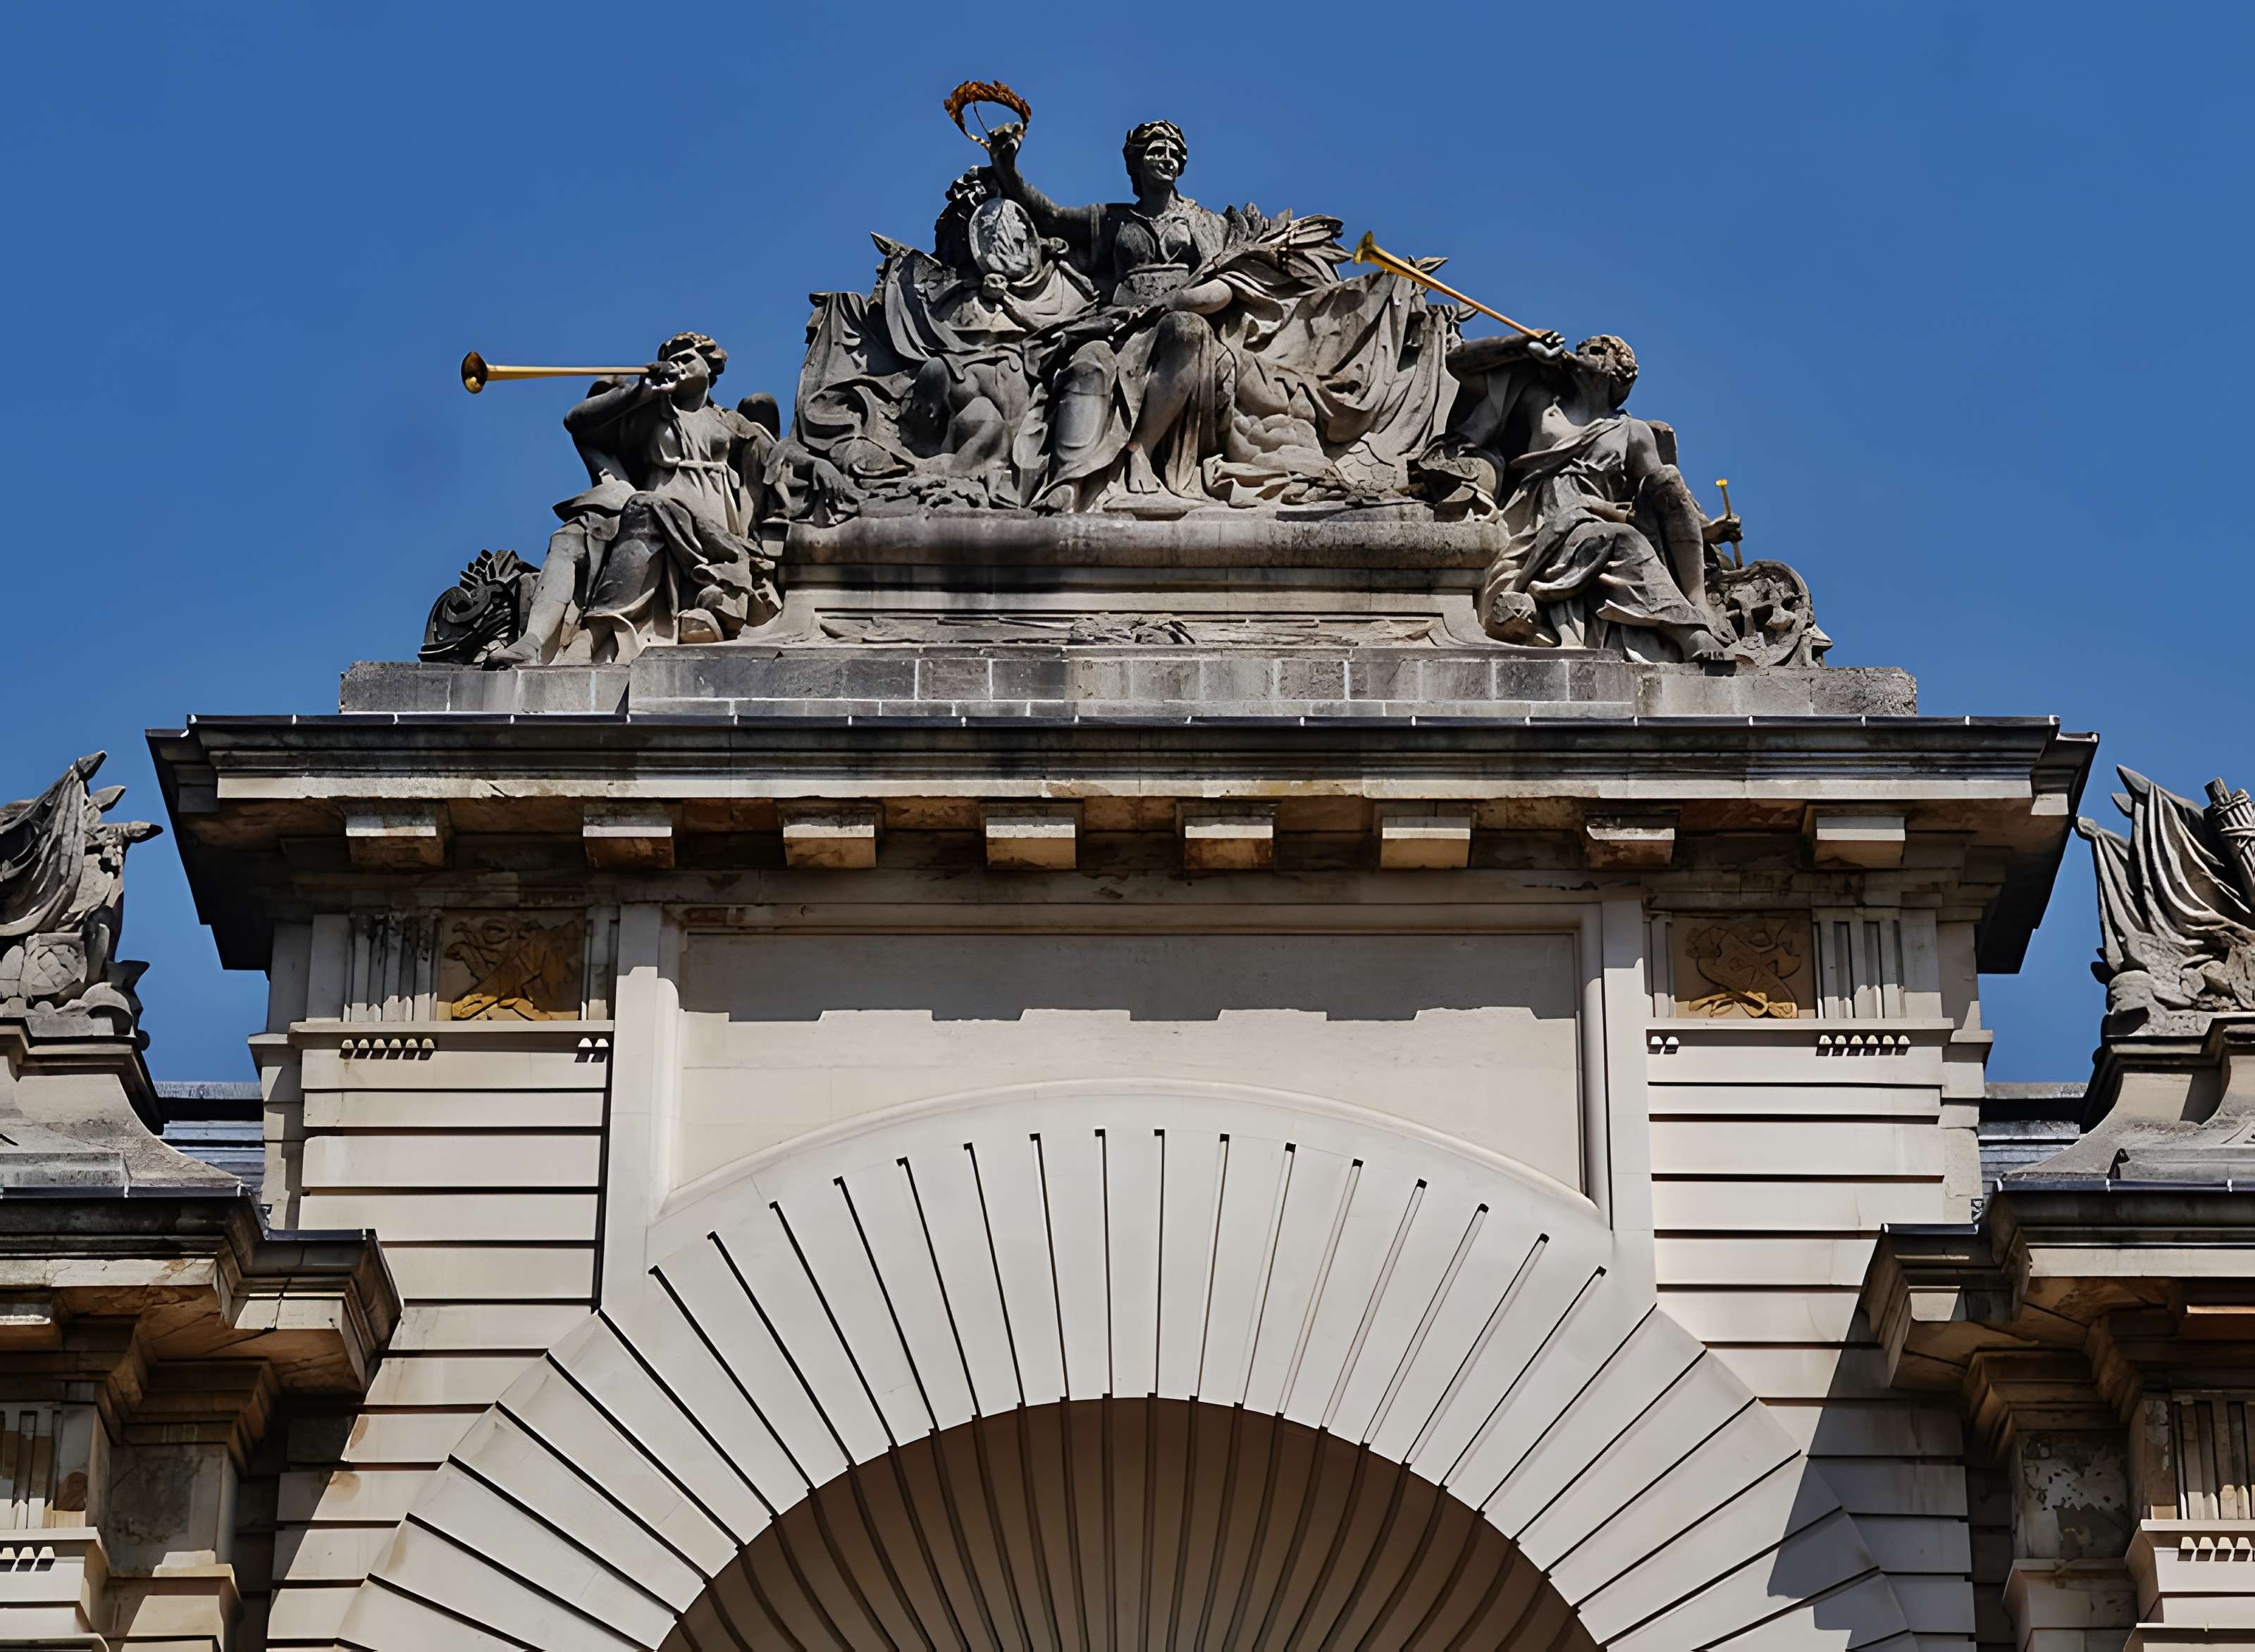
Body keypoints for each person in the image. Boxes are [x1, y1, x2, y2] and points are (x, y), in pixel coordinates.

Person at [1430, 331, 1738, 660]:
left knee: (1665, 479)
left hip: (1598, 515)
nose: (1578, 351)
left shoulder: (1633, 432)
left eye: (1592, 350)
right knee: (1621, 538)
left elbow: (1666, 497)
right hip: (1540, 522)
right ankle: (1687, 633)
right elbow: (1459, 365)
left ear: (1618, 370)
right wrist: (1521, 346)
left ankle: (1698, 605)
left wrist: (1708, 530)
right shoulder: (1542, 404)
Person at [490, 333, 779, 665]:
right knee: (570, 537)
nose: (679, 366)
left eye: (687, 359)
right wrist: (641, 390)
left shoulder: (730, 422)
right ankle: (534, 642)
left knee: (644, 509)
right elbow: (577, 422)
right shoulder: (651, 413)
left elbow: (776, 466)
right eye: (673, 361)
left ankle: (593, 636)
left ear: (709, 367)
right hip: (648, 515)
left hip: (711, 530)